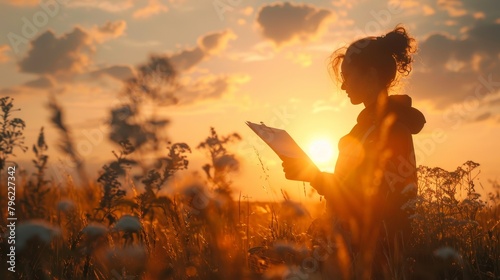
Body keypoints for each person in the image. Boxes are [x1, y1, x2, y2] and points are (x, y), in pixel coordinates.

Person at [281, 26, 426, 278]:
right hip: (349, 249)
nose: (344, 85)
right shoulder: (364, 128)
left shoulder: (392, 130)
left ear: (370, 75)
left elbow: (375, 203)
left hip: (372, 259)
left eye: (347, 76)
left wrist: (314, 176)